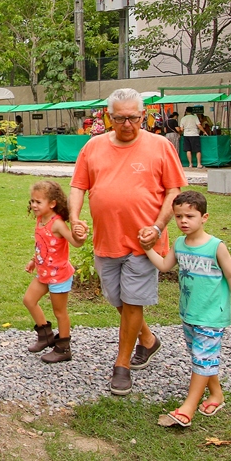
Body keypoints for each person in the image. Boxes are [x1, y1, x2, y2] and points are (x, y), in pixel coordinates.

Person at [69, 88, 187, 396]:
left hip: (144, 242)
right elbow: (78, 186)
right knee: (118, 300)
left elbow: (174, 191)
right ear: (109, 117)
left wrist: (159, 226)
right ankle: (148, 340)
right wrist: (75, 218)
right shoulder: (92, 147)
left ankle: (121, 366)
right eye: (119, 118)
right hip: (106, 239)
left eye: (134, 118)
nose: (127, 124)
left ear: (143, 116)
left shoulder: (160, 146)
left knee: (133, 301)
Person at [141, 190, 231, 427]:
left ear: (204, 217)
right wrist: (147, 248)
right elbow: (165, 266)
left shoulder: (216, 246)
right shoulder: (179, 244)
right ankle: (216, 395)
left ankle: (188, 408)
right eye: (179, 216)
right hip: (189, 314)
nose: (183, 221)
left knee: (202, 358)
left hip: (212, 315)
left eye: (190, 216)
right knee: (202, 359)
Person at [23, 180, 87, 363]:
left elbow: (75, 242)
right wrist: (34, 261)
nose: (34, 205)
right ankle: (45, 335)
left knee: (60, 312)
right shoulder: (40, 220)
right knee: (29, 300)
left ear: (52, 203)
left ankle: (63, 347)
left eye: (38, 202)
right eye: (32, 201)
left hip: (59, 276)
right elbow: (42, 246)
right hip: (44, 274)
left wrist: (81, 237)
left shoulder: (57, 224)